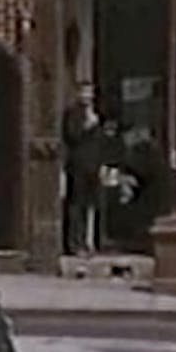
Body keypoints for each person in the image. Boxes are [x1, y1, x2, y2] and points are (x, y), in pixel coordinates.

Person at [61, 82, 104, 255]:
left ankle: (90, 242)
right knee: (76, 205)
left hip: (94, 166)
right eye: (84, 92)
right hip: (78, 165)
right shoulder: (73, 113)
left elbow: (101, 142)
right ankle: (74, 244)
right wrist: (88, 125)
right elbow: (72, 135)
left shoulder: (95, 112)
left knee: (92, 204)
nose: (87, 96)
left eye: (90, 93)